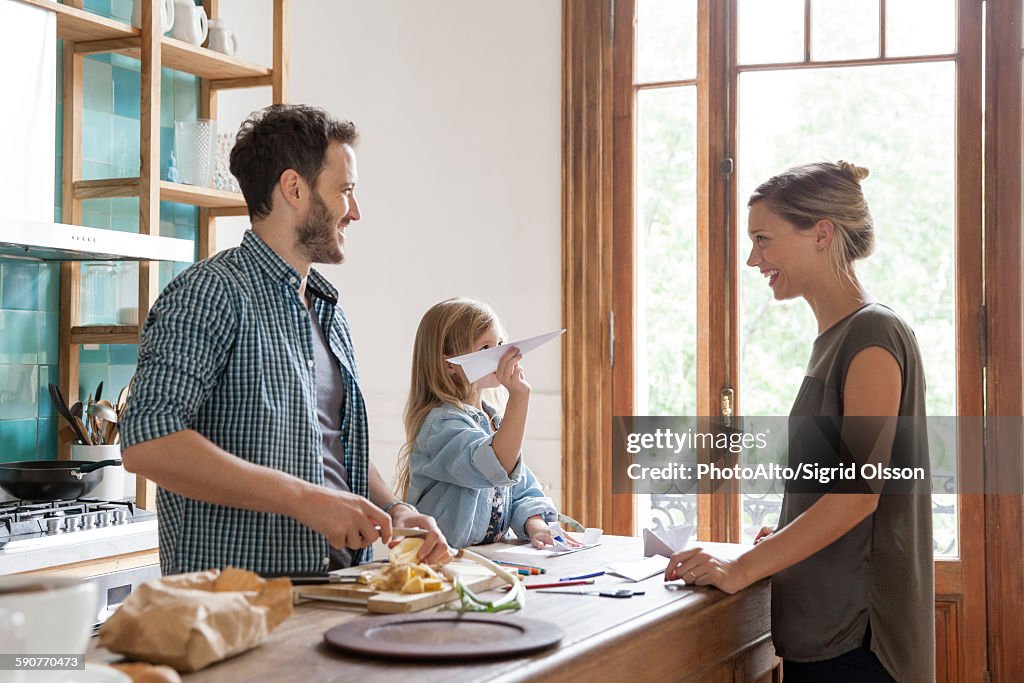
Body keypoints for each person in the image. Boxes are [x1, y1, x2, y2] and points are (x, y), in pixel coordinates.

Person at [120, 104, 450, 575]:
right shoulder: (209, 294)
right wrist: (305, 500)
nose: (355, 211)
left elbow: (329, 448)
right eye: (345, 191)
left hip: (334, 591)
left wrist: (395, 510)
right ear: (294, 189)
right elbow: (147, 442)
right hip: (236, 610)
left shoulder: (328, 312)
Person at [664, 161, 934, 682]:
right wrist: (788, 530)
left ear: (822, 234)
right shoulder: (836, 338)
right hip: (827, 631)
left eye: (763, 239)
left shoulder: (871, 334)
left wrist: (740, 567)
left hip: (861, 641)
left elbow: (860, 492)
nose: (752, 258)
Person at [396, 298, 572, 549]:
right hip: (443, 560)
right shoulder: (440, 426)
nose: (500, 354)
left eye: (500, 343)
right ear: (450, 365)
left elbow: (522, 489)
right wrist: (520, 397)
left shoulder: (493, 422)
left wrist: (536, 525)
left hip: (488, 556)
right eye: (485, 348)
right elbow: (496, 466)